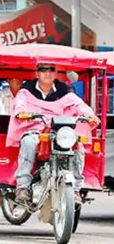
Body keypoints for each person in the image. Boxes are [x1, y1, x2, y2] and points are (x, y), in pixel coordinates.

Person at [11, 63, 100, 203]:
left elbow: (79, 104)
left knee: (77, 146)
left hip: (59, 131)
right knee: (28, 141)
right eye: (43, 70)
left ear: (56, 73)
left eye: (51, 69)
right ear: (37, 73)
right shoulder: (26, 91)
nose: (47, 73)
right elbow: (20, 104)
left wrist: (90, 114)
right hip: (36, 128)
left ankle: (76, 189)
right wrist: (21, 113)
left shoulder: (65, 90)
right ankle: (23, 187)